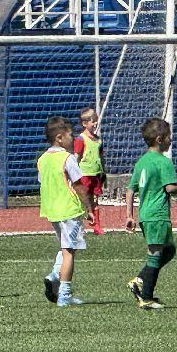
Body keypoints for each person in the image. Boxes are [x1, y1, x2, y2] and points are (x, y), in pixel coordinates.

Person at [124, 118, 177, 310]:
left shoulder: (142, 162)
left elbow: (130, 190)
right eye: (169, 137)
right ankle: (145, 297)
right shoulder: (164, 162)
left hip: (146, 215)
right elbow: (170, 188)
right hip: (157, 215)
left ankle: (140, 281)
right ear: (160, 139)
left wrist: (129, 215)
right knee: (155, 254)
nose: (171, 140)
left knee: (169, 250)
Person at [39, 114, 90, 307]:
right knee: (69, 251)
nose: (74, 138)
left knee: (67, 247)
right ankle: (64, 294)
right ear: (59, 137)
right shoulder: (67, 158)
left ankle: (54, 275)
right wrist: (89, 207)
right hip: (69, 208)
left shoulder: (43, 159)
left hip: (52, 210)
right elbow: (78, 184)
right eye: (70, 134)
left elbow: (43, 183)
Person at [74, 107, 106, 236]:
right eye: (93, 121)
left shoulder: (98, 140)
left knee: (95, 200)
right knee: (83, 199)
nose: (95, 124)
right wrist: (73, 175)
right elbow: (76, 157)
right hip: (84, 174)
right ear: (85, 123)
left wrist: (104, 171)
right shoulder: (81, 139)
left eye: (96, 121)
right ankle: (78, 225)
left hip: (96, 174)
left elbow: (101, 157)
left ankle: (97, 226)